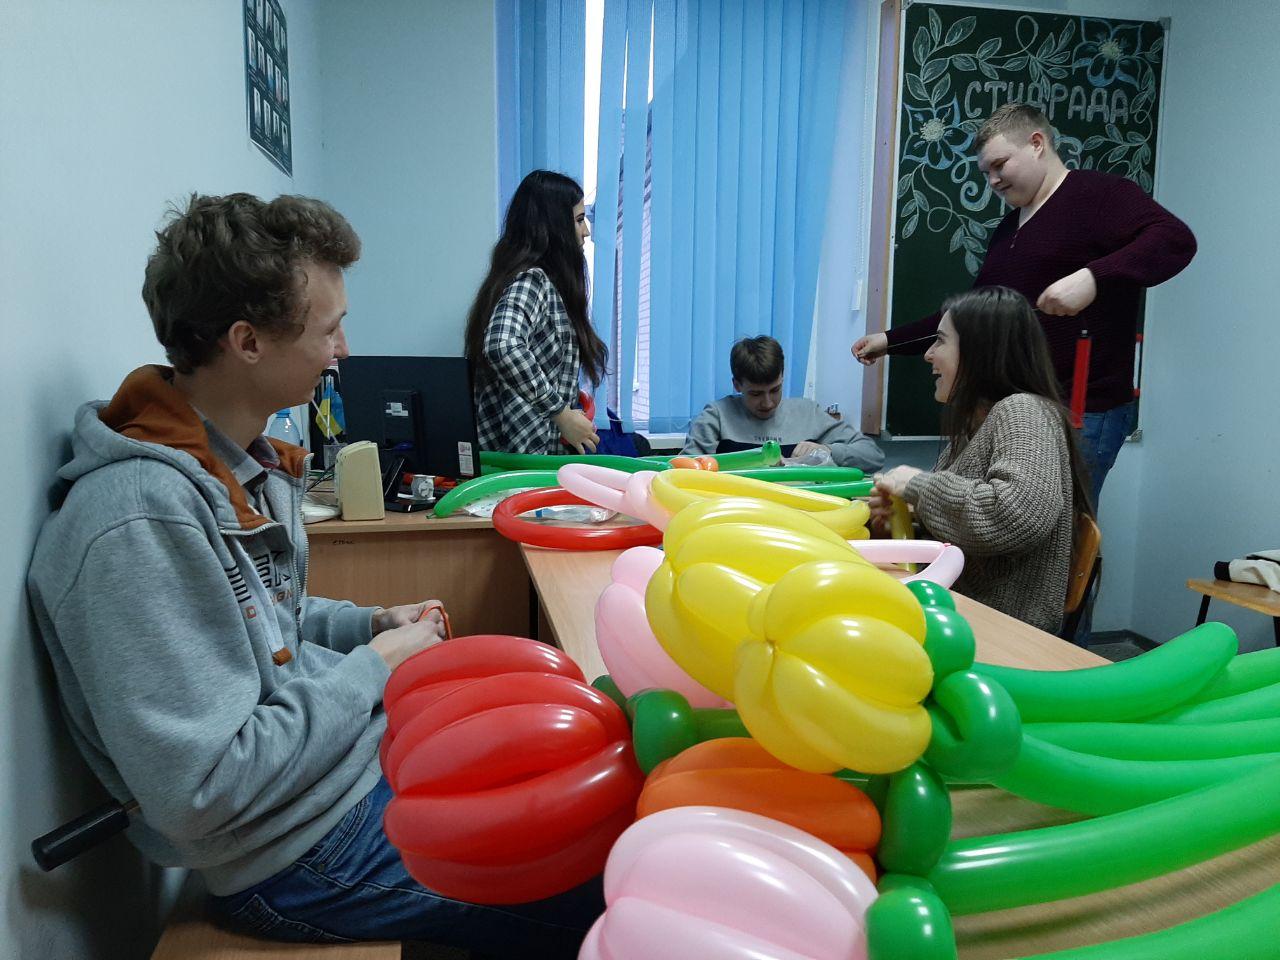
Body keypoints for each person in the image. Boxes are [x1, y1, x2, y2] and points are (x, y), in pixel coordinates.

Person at [26, 193, 601, 955]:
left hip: (345, 777)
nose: (345, 350)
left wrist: (367, 625)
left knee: (590, 809)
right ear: (248, 342)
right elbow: (202, 791)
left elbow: (265, 622)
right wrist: (373, 667)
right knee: (602, 886)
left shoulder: (238, 464)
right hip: (297, 857)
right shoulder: (138, 522)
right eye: (329, 329)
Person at [852, 103, 1196, 506]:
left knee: (1058, 528)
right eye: (986, 173)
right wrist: (889, 341)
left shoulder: (1101, 194)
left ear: (1036, 144)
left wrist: (1092, 278)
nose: (993, 181)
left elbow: (1175, 240)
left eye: (1000, 165)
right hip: (1022, 410)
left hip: (1083, 411)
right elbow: (970, 318)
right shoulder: (1008, 227)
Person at [869, 287, 1093, 634]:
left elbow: (1016, 515)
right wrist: (895, 522)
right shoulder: (973, 429)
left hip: (1003, 632)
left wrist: (916, 484)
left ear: (980, 351)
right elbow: (959, 538)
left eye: (940, 341)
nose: (928, 354)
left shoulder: (1023, 411)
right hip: (963, 618)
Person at [465, 169, 605, 455]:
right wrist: (560, 413)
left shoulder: (530, 283)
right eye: (579, 220)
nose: (586, 231)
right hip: (523, 464)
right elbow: (501, 345)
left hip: (523, 461)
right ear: (554, 225)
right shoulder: (533, 281)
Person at [682, 335, 885, 471]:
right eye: (756, 394)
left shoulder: (808, 413)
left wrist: (827, 451)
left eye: (775, 390)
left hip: (799, 512)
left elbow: (873, 455)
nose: (768, 403)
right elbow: (685, 472)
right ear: (737, 385)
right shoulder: (716, 416)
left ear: (782, 376)